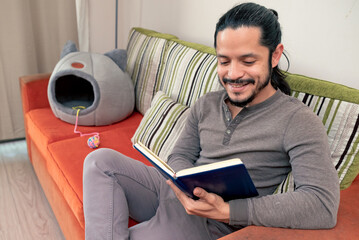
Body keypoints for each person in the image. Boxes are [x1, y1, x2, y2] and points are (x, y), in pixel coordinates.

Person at [83, 2, 340, 239]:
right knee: (99, 162)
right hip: (176, 194)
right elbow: (180, 154)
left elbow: (321, 204)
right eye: (224, 61)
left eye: (248, 61)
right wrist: (184, 183)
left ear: (275, 56)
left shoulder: (298, 120)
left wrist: (227, 211)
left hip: (212, 221)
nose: (234, 74)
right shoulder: (207, 104)